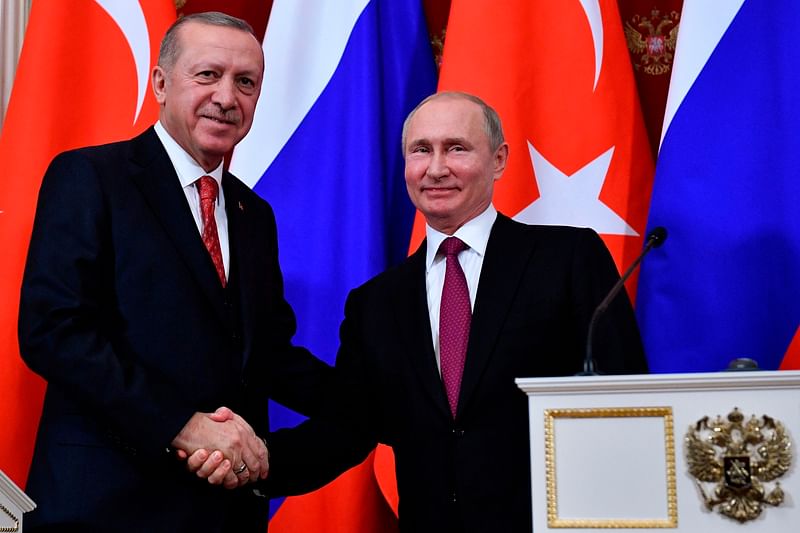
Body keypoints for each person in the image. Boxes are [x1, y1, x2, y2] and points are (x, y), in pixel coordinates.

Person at [191, 91, 649, 531]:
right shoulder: (376, 303)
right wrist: (256, 460)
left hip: (556, 524)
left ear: (499, 160)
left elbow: (624, 406)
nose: (436, 168)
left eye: (456, 149)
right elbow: (349, 427)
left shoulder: (567, 259)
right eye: (420, 150)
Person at [18, 12, 331, 533]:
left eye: (246, 82)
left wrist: (385, 396)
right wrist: (182, 427)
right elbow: (53, 331)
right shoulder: (91, 177)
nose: (227, 97)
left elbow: (268, 356)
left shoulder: (254, 216)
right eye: (208, 75)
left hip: (223, 513)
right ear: (161, 83)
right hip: (107, 507)